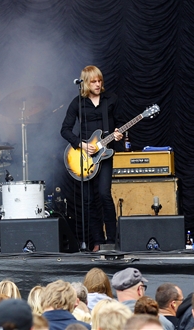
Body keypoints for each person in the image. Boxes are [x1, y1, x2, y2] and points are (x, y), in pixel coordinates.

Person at [60, 65, 123, 251]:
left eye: (100, 80)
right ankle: (98, 240)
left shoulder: (111, 99)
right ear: (86, 83)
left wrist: (119, 133)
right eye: (94, 81)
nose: (98, 84)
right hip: (84, 157)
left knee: (104, 194)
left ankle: (112, 240)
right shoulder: (78, 102)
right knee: (87, 200)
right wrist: (80, 144)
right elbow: (65, 129)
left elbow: (119, 124)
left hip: (105, 153)